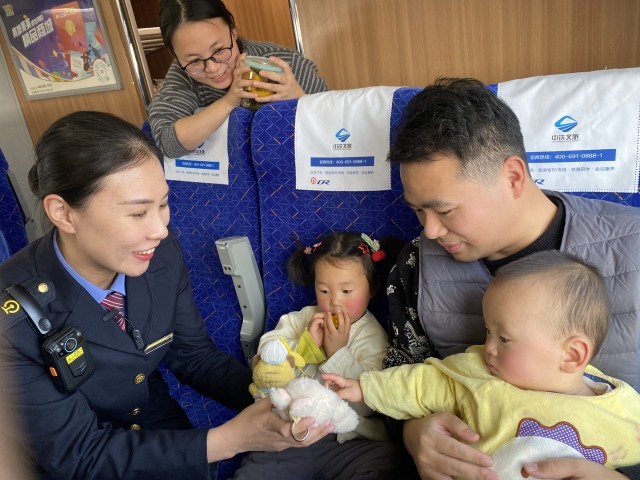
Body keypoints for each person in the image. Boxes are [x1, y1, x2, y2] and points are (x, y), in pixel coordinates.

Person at [0, 111, 331, 480]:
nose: (160, 228)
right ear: (63, 213)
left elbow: (193, 355)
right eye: (138, 213)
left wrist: (280, 397)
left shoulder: (159, 254)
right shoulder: (10, 318)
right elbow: (78, 454)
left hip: (159, 427)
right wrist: (228, 440)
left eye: (162, 204)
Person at [382, 77, 640, 480]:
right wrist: (413, 434)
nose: (429, 230)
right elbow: (397, 375)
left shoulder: (634, 247)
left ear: (513, 177)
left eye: (444, 211)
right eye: (418, 211)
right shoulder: (414, 266)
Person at [324, 250, 640, 477]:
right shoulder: (476, 374)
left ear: (571, 355)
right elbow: (420, 384)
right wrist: (364, 387)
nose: (487, 347)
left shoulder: (623, 407)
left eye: (504, 338)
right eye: (488, 332)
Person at [233, 232, 418, 479]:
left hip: (349, 441)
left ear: (372, 288)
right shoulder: (301, 319)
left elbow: (369, 402)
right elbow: (268, 354)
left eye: (346, 290)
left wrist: (337, 353)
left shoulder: (374, 337)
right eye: (324, 290)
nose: (335, 302)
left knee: (388, 463)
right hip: (290, 433)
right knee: (257, 472)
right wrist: (306, 346)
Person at [149, 0, 328, 158]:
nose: (213, 68)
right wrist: (229, 101)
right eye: (195, 60)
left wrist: (300, 99)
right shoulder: (183, 75)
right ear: (176, 57)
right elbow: (167, 143)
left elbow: (330, 133)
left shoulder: (286, 64)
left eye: (219, 50)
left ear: (233, 32)